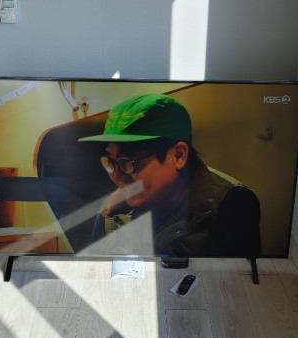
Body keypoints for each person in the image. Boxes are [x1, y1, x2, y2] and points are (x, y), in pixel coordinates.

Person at [78, 93, 261, 259]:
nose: (118, 179)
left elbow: (235, 280)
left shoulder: (232, 204)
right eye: (110, 162)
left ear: (178, 155)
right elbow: (96, 274)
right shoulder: (112, 211)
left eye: (127, 162)